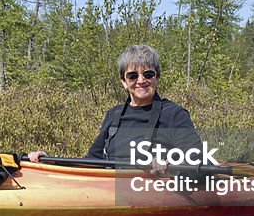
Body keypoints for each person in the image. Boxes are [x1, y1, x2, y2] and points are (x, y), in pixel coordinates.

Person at [28, 44, 202, 167]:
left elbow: (198, 159)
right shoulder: (114, 115)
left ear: (157, 78)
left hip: (154, 192)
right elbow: (92, 160)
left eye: (148, 74)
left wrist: (171, 162)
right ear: (124, 82)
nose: (141, 81)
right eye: (133, 76)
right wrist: (51, 160)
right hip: (111, 189)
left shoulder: (174, 114)